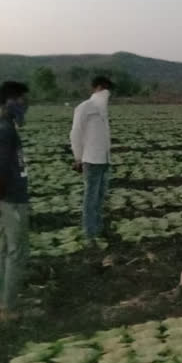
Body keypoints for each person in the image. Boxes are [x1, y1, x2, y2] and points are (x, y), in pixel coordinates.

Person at [0, 81, 30, 322]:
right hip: (13, 201)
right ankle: (9, 309)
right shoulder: (4, 130)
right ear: (10, 101)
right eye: (21, 100)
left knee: (5, 251)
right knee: (16, 253)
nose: (24, 105)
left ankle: (4, 303)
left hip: (8, 199)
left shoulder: (2, 126)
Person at [70, 75, 114, 247]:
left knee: (100, 196)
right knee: (90, 198)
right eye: (104, 89)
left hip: (104, 160)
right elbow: (76, 134)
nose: (106, 93)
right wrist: (78, 158)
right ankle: (89, 234)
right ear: (97, 88)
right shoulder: (85, 107)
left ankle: (98, 228)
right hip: (91, 160)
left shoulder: (102, 109)